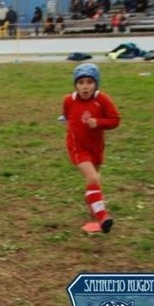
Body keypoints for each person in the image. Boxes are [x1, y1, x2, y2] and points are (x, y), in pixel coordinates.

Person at [61, 63, 120, 234]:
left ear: (96, 84)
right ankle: (103, 218)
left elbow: (115, 119)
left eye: (89, 82)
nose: (85, 86)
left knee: (94, 182)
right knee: (93, 179)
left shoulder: (102, 100)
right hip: (77, 147)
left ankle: (93, 214)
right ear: (75, 85)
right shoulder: (69, 100)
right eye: (80, 82)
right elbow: (66, 115)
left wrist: (99, 122)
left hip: (96, 147)